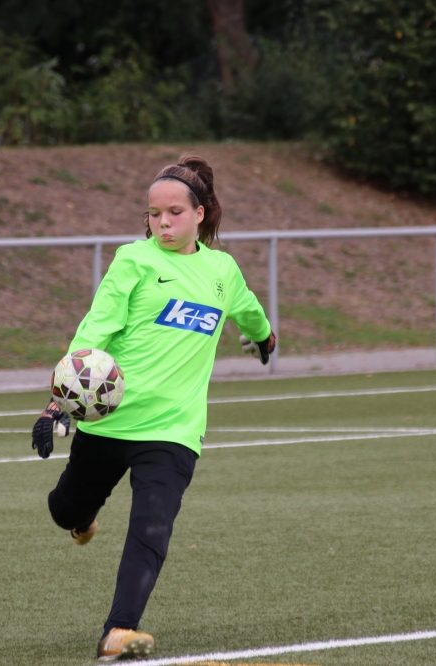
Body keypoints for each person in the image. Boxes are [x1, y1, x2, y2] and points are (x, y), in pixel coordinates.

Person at [30, 153, 276, 661]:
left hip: (173, 430)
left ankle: (118, 631)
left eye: (175, 213)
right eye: (154, 213)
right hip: (109, 423)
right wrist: (57, 403)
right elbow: (94, 329)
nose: (163, 222)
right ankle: (82, 518)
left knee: (153, 526)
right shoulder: (134, 261)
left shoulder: (222, 270)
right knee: (65, 510)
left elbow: (250, 311)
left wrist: (265, 338)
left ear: (199, 214)